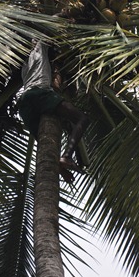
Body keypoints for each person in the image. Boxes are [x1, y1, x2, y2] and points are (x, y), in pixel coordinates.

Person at [18, 40, 89, 182]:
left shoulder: (23, 64)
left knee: (46, 140)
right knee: (82, 119)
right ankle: (67, 156)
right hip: (40, 92)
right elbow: (55, 20)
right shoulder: (39, 46)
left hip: (24, 104)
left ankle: (61, 166)